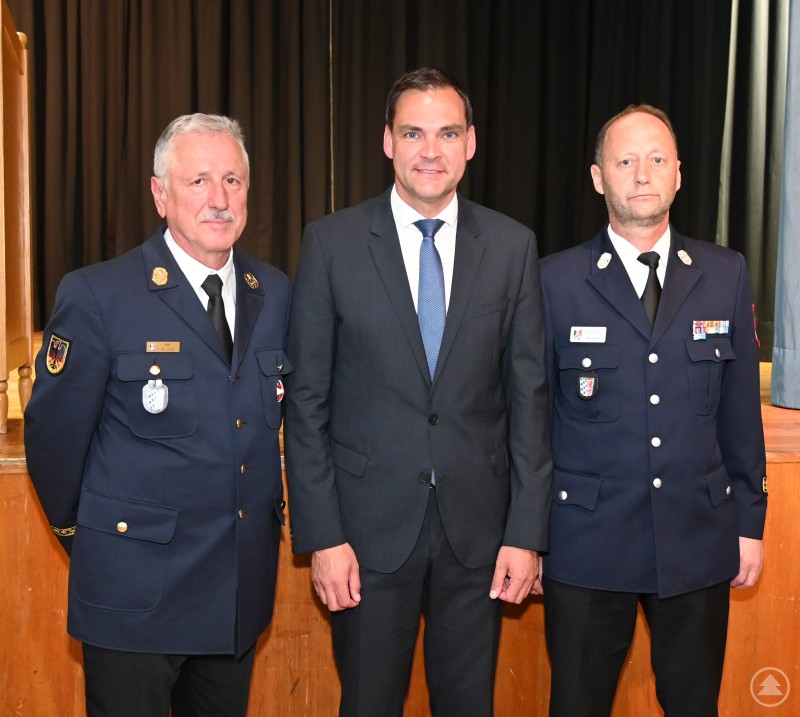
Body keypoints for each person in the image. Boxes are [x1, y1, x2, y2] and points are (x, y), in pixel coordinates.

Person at [283, 66, 552, 716]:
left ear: (471, 143)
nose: (431, 150)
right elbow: (307, 404)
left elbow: (530, 402)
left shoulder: (512, 247)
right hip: (364, 538)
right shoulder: (331, 244)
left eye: (447, 133)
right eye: (413, 133)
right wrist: (323, 536)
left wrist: (526, 533)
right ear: (387, 141)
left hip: (479, 538)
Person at [24, 113, 292, 717]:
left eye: (232, 180)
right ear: (160, 194)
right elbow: (54, 440)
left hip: (235, 596)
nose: (219, 199)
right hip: (134, 593)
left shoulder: (272, 292)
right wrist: (99, 542)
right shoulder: (100, 295)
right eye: (198, 181)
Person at [539, 104, 768, 717]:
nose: (643, 174)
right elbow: (530, 423)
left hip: (697, 540)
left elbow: (740, 416)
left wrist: (749, 523)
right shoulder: (553, 281)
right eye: (625, 161)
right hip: (586, 545)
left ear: (679, 174)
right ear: (598, 177)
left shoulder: (724, 273)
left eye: (657, 159)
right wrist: (526, 537)